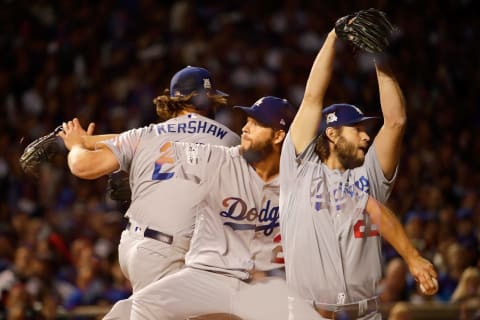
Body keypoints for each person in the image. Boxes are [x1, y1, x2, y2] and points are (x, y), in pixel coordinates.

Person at [279, 28, 438, 319]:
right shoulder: (299, 169)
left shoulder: (370, 175)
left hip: (365, 313)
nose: (366, 137)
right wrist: (331, 38)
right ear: (331, 133)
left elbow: (396, 121)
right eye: (357, 129)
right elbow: (313, 97)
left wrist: (379, 58)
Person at [58, 66, 240, 318]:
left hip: (136, 245)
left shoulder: (146, 134)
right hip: (168, 253)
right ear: (209, 101)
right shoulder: (231, 141)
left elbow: (82, 166)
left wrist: (78, 145)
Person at [126, 96, 297, 319]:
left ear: (278, 135)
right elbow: (161, 147)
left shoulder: (296, 180)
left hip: (263, 285)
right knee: (146, 303)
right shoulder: (220, 159)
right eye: (247, 121)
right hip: (208, 277)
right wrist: (136, 172)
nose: (245, 128)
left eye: (256, 124)